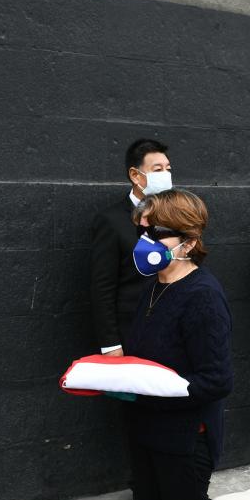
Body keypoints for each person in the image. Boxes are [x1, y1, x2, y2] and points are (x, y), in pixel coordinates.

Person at [109, 190, 232, 500]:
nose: (145, 240)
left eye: (156, 232)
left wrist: (160, 388)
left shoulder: (203, 296)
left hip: (186, 440)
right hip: (146, 433)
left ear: (189, 240)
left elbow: (216, 379)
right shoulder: (153, 288)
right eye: (142, 229)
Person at [90, 138, 173, 357]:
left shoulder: (176, 217)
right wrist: (111, 344)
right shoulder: (111, 221)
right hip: (133, 332)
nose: (165, 174)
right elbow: (102, 288)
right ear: (136, 175)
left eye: (168, 169)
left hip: (172, 328)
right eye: (157, 169)